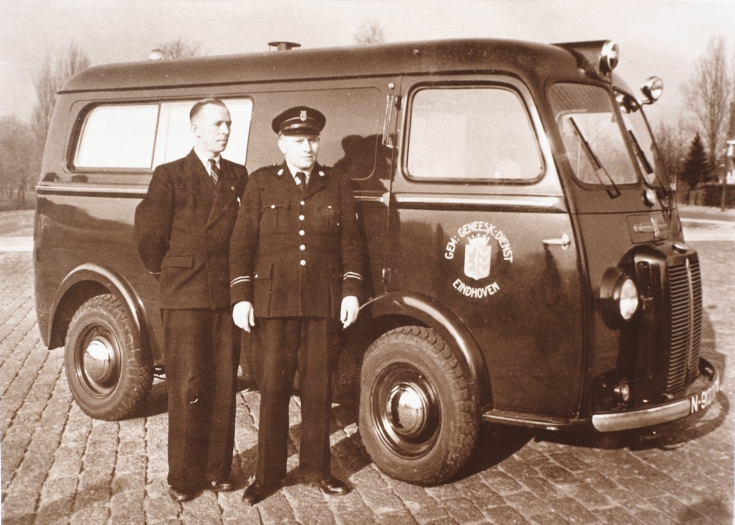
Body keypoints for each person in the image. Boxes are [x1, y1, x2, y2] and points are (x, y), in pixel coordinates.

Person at [230, 106, 365, 505]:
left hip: (322, 303)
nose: (307, 147)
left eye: (313, 140)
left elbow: (351, 242)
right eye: (298, 140)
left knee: (318, 390)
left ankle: (317, 469)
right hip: (273, 304)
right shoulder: (261, 183)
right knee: (272, 389)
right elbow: (241, 244)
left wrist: (351, 291)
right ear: (282, 144)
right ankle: (267, 476)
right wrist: (241, 297)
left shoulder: (336, 183)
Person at [134, 98, 248, 502]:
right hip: (185, 294)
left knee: (223, 382)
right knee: (187, 385)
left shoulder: (237, 175)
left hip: (225, 296)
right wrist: (174, 273)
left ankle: (218, 470)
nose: (225, 131)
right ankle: (183, 477)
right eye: (217, 124)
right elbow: (149, 237)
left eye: (228, 124)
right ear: (195, 129)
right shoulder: (170, 175)